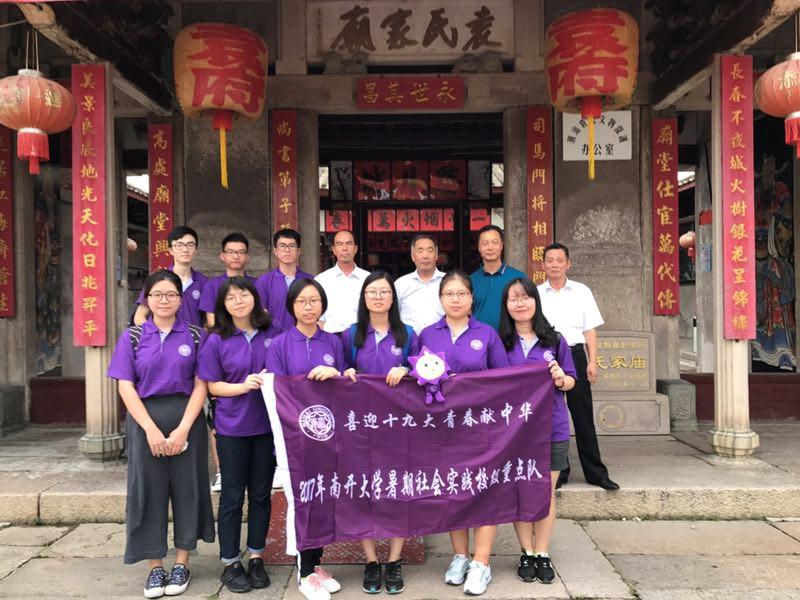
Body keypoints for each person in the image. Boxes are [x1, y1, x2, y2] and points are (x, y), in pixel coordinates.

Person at [107, 270, 214, 599]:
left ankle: (182, 562)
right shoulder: (133, 336)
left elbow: (201, 384)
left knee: (187, 489)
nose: (164, 300)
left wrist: (183, 429)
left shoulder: (195, 335)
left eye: (171, 294)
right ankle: (155, 565)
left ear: (180, 300)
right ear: (146, 299)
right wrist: (151, 429)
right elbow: (125, 386)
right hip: (145, 420)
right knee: (148, 492)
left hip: (187, 418)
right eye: (157, 294)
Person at [417, 271, 509, 596]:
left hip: (481, 426)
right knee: (453, 491)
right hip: (443, 428)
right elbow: (416, 380)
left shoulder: (487, 333)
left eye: (461, 294)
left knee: (483, 490)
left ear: (472, 299)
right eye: (449, 294)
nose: (455, 299)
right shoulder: (427, 335)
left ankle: (481, 562)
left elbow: (505, 379)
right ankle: (460, 556)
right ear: (440, 299)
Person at [197, 277, 283, 594]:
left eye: (243, 294)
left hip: (267, 427)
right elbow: (212, 385)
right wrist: (243, 386)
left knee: (261, 494)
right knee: (233, 496)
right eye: (231, 297)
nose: (238, 301)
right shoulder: (216, 339)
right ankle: (231, 562)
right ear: (223, 305)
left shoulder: (273, 332)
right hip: (232, 428)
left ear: (255, 298)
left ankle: (257, 556)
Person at [265, 278, 345, 600]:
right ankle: (304, 572)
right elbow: (277, 391)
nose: (308, 307)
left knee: (323, 500)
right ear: (292, 307)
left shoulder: (334, 343)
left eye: (314, 301)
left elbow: (345, 384)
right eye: (301, 301)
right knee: (302, 501)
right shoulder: (280, 344)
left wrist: (336, 374)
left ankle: (316, 564)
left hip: (327, 435)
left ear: (322, 304)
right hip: (295, 438)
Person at [341, 271, 419, 595]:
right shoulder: (350, 334)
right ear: (364, 298)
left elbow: (424, 371)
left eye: (384, 292)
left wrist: (408, 369)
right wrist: (345, 372)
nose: (378, 297)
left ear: (392, 298)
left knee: (398, 491)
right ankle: (372, 560)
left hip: (399, 425)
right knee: (366, 493)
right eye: (372, 292)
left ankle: (394, 560)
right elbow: (341, 370)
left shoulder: (409, 334)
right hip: (360, 426)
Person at [498, 277, 576, 585]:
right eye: (513, 298)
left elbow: (571, 381)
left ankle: (542, 552)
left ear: (535, 301)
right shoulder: (500, 342)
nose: (520, 303)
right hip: (513, 431)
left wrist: (559, 378)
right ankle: (526, 552)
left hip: (551, 427)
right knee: (519, 489)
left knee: (545, 491)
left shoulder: (554, 340)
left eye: (525, 297)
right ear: (506, 305)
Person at [537, 243, 619, 491]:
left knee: (582, 415)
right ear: (543, 264)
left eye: (559, 260)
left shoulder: (582, 291)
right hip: (547, 357)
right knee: (551, 417)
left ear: (568, 264)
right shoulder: (536, 293)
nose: (554, 265)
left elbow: (589, 329)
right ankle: (559, 472)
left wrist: (592, 361)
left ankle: (595, 473)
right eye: (550, 260)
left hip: (574, 354)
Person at [132, 226, 208, 327]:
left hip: (192, 337)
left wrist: (200, 335)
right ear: (171, 250)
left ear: (196, 250)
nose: (185, 249)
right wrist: (155, 334)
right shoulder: (157, 279)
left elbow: (209, 320)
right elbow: (139, 316)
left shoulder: (204, 282)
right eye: (179, 245)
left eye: (190, 245)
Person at [470, 225, 526, 330]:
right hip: (479, 338)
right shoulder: (470, 280)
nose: (490, 248)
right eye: (485, 243)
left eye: (494, 242)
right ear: (479, 247)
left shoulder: (519, 278)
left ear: (501, 246)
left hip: (511, 338)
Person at [256, 228, 314, 330]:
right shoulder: (264, 281)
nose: (287, 250)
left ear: (299, 251)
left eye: (292, 246)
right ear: (275, 250)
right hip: (274, 337)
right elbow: (261, 314)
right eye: (282, 246)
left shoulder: (310, 280)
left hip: (304, 336)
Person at [315, 230, 370, 333]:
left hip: (361, 336)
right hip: (330, 335)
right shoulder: (321, 280)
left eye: (349, 243)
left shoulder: (368, 279)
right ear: (334, 249)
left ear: (355, 249)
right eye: (340, 244)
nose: (344, 248)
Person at [199, 232, 255, 329]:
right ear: (222, 256)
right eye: (231, 252)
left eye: (241, 252)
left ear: (247, 257)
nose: (236, 256)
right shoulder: (212, 285)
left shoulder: (257, 284)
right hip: (223, 336)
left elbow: (261, 316)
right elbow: (212, 322)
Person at [394, 235, 446, 334]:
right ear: (413, 256)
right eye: (420, 251)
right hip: (409, 340)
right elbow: (393, 316)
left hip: (443, 339)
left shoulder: (448, 281)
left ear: (436, 255)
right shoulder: (401, 284)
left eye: (430, 251)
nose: (425, 256)